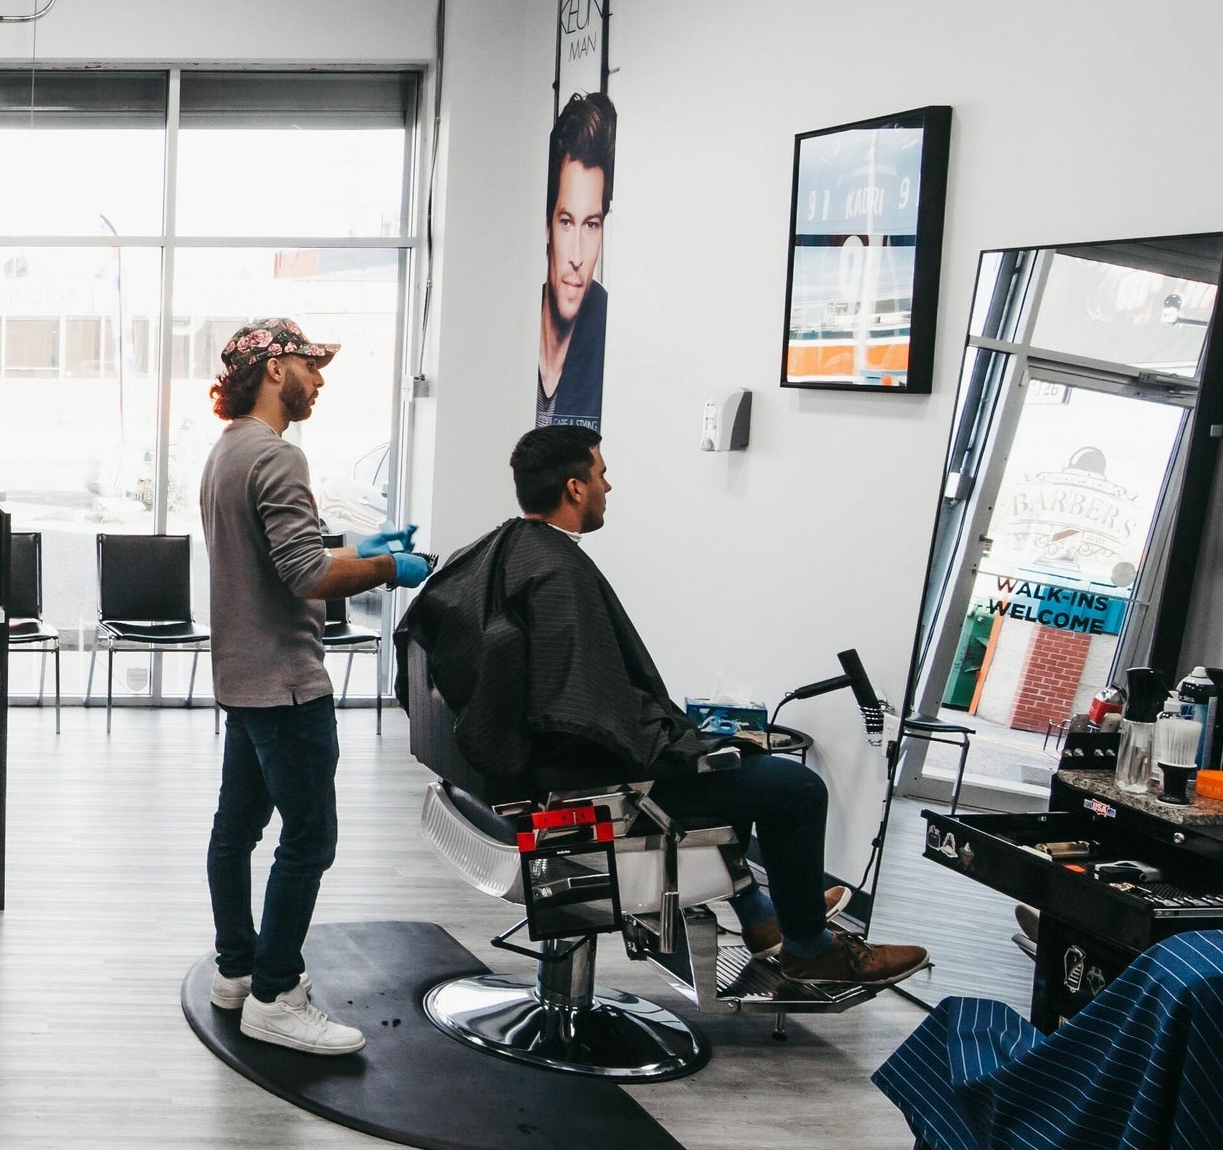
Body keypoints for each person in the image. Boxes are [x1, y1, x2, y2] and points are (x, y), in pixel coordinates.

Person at [417, 425, 926, 993]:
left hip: (503, 783)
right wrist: (689, 745)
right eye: (601, 473)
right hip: (575, 797)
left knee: (725, 765)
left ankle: (763, 918)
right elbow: (589, 714)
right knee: (793, 789)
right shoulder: (559, 573)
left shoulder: (498, 550)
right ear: (575, 488)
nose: (610, 485)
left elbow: (575, 693)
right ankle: (811, 948)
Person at [197, 318, 432, 1056]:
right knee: (310, 838)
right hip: (290, 687)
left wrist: (359, 547)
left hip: (242, 678)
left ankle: (236, 970)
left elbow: (284, 549)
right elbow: (304, 573)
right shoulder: (278, 456)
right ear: (273, 369)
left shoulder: (226, 451)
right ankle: (276, 993)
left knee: (236, 829)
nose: (320, 377)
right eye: (311, 364)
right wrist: (390, 570)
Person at [536, 93, 613, 428]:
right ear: (548, 227)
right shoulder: (517, 317)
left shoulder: (609, 326)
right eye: (566, 222)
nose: (578, 258)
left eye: (591, 225)